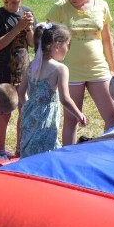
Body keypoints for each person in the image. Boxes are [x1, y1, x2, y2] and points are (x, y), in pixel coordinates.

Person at [47, 0, 114, 144]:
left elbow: (107, 38)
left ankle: (106, 152)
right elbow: (46, 40)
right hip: (70, 71)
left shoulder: (102, 5)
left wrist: (112, 68)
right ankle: (68, 160)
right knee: (71, 119)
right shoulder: (59, 8)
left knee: (113, 117)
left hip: (97, 69)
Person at [19, 23, 86, 158]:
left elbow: (21, 93)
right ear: (57, 46)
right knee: (46, 152)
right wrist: (79, 115)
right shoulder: (60, 69)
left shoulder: (32, 65)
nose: (67, 49)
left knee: (29, 152)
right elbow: (65, 99)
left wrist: (29, 108)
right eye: (67, 45)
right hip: (46, 119)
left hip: (29, 116)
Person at [0, 0, 34, 155]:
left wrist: (28, 28)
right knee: (4, 112)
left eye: (14, 2)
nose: (10, 5)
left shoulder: (27, 12)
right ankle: (0, 149)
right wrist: (17, 28)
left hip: (22, 69)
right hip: (4, 70)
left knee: (24, 108)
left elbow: (32, 43)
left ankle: (21, 148)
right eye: (6, 1)